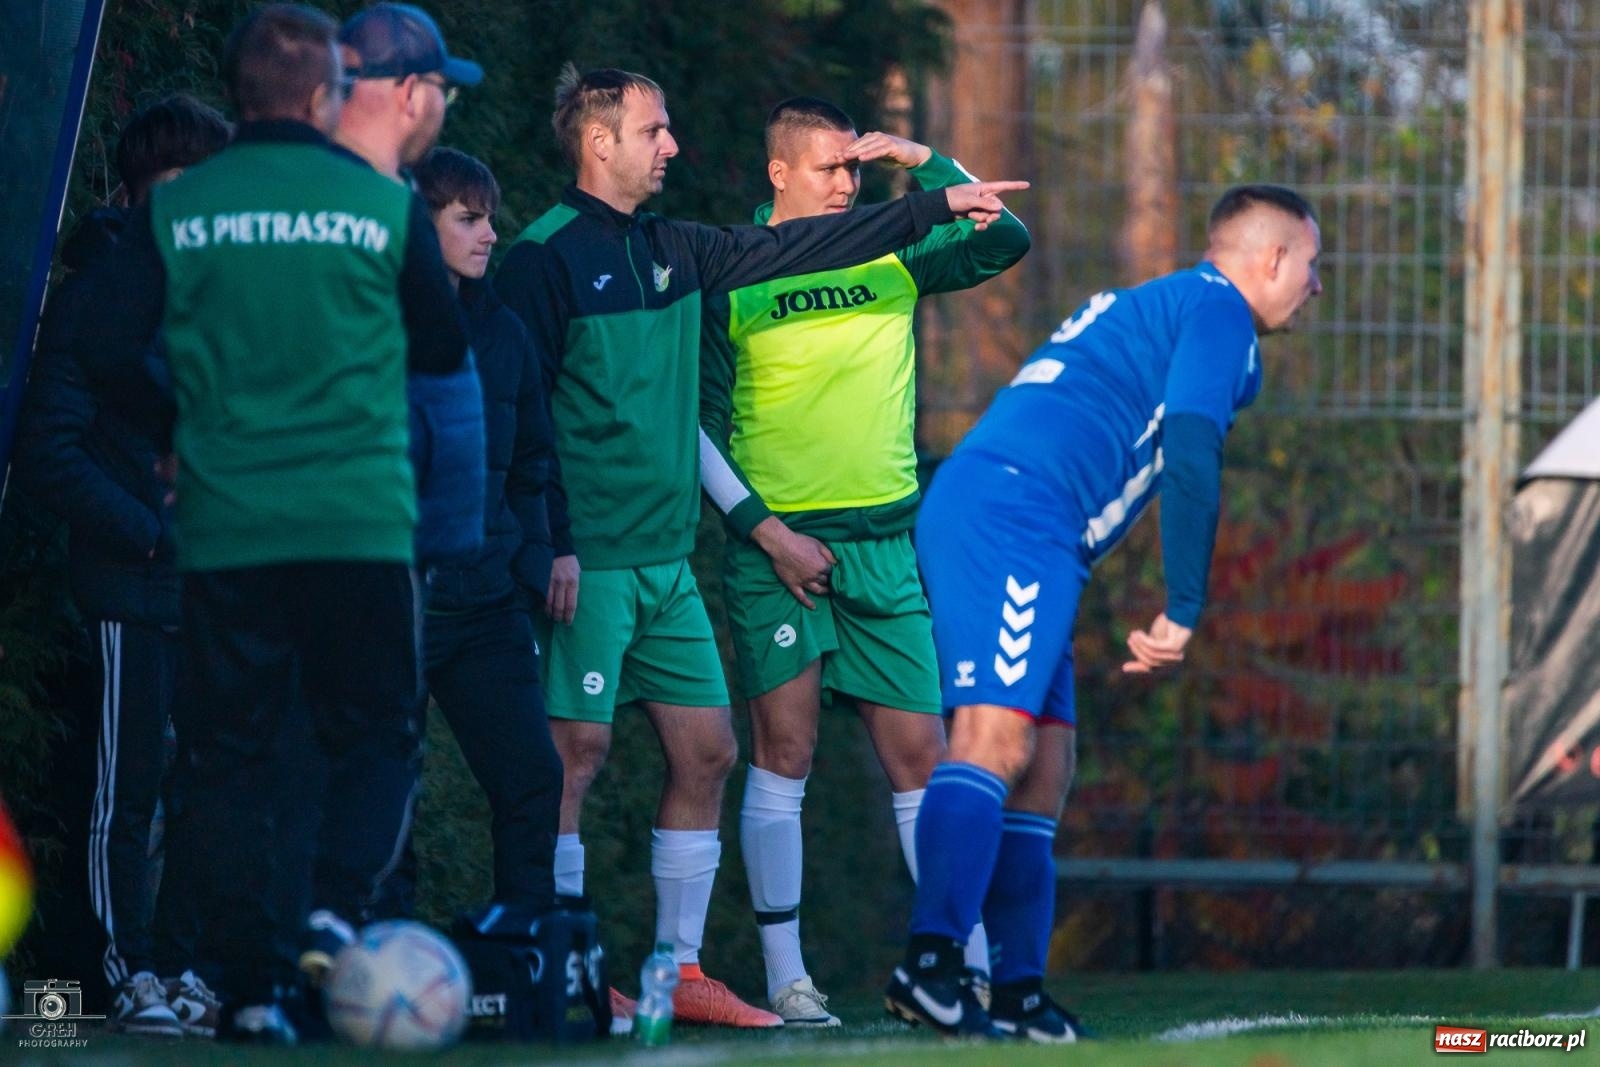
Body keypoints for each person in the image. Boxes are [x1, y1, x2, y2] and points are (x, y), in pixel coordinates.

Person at [494, 64, 1024, 1029]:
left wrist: (929, 183)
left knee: (722, 752)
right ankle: (575, 966)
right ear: (599, 141)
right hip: (640, 555)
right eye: (654, 130)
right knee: (593, 753)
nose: (673, 145)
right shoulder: (574, 260)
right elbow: (533, 412)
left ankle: (704, 969)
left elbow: (955, 239)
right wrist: (561, 540)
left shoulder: (682, 247)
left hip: (752, 556)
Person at [70, 3, 469, 1043]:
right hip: (357, 523)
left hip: (229, 525)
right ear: (325, 93)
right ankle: (334, 913)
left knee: (225, 757)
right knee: (376, 733)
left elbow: (101, 341)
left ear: (239, 92)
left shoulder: (181, 207)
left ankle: (248, 987)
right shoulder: (380, 204)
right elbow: (439, 345)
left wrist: (175, 422)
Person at [884, 184, 1323, 1041]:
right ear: (1271, 258)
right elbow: (1191, 448)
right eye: (1312, 263)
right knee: (991, 739)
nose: (1316, 283)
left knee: (1045, 764)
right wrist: (1183, 605)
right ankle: (931, 965)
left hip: (1023, 519)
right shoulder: (1219, 312)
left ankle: (1017, 994)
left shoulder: (1179, 304)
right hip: (1015, 515)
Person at [698, 96, 1029, 1025]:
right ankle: (788, 977)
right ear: (779, 173)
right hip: (778, 551)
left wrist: (925, 161)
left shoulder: (894, 249)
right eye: (828, 167)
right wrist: (768, 533)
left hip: (885, 546)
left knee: (925, 756)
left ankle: (958, 969)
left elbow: (1006, 239)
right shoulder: (732, 267)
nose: (847, 183)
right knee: (785, 750)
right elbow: (699, 424)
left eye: (854, 167)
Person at [14, 93, 232, 1039]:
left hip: (208, 593)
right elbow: (49, 449)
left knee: (206, 791)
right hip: (129, 585)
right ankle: (118, 974)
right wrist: (149, 533)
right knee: (120, 792)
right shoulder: (98, 296)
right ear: (145, 192)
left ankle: (178, 971)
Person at [403, 145, 565, 917]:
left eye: (490, 219)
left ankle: (525, 940)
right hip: (397, 600)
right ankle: (374, 953)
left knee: (534, 776)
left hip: (489, 604)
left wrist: (531, 559)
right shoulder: (374, 321)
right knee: (383, 788)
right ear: (420, 222)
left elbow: (532, 457)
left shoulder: (505, 331)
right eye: (469, 219)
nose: (490, 234)